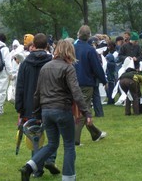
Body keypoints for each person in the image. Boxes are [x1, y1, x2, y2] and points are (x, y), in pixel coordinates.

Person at [20, 39, 92, 181]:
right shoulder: (68, 68)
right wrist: (86, 112)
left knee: (52, 144)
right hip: (62, 110)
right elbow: (76, 92)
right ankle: (68, 177)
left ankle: (29, 167)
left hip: (46, 111)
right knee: (69, 145)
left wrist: (36, 113)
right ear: (70, 52)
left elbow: (37, 93)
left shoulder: (45, 67)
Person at [15, 33, 60, 177]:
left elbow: (20, 87)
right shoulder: (52, 62)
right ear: (47, 46)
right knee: (53, 134)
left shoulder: (25, 64)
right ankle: (50, 159)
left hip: (29, 104)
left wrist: (19, 108)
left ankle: (36, 168)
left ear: (33, 45)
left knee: (35, 136)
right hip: (49, 102)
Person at [74, 25, 107, 146]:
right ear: (89, 36)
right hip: (86, 83)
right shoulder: (90, 50)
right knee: (84, 110)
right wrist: (104, 81)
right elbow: (97, 68)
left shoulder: (73, 48)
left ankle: (96, 134)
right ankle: (75, 140)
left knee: (79, 109)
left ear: (78, 34)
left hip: (73, 82)